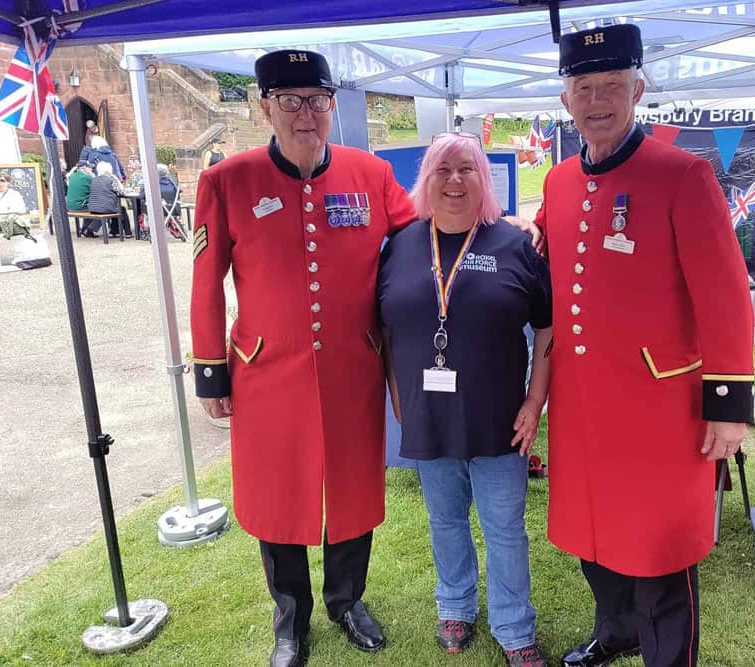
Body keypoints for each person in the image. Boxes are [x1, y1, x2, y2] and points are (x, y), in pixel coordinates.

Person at [534, 24, 754, 667]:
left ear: (638, 90)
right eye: (584, 88)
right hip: (582, 406)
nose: (597, 100)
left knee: (660, 550)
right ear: (566, 100)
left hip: (661, 409)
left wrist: (728, 406)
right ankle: (617, 632)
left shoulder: (682, 174)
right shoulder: (558, 181)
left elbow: (725, 296)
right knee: (593, 537)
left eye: (612, 85)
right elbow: (551, 252)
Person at [190, 49, 417, 667]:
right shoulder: (227, 181)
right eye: (289, 101)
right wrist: (210, 370)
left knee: (353, 490)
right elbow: (206, 283)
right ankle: (290, 619)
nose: (305, 114)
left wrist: (498, 229)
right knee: (276, 496)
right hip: (267, 371)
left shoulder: (370, 174)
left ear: (332, 106)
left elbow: (421, 238)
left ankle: (348, 601)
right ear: (265, 107)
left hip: (352, 368)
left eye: (316, 100)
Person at [377, 133, 553, 667]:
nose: (455, 180)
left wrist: (535, 402)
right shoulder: (400, 246)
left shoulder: (515, 244)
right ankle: (454, 604)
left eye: (467, 169)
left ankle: (513, 626)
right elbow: (387, 331)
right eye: (443, 169)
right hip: (429, 417)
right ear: (425, 179)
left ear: (484, 179)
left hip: (500, 420)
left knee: (505, 529)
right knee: (445, 520)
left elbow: (547, 329)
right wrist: (398, 398)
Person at [138, 163, 185, 241]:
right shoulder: (172, 183)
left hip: (157, 210)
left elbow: (141, 196)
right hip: (173, 209)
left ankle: (146, 230)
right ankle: (173, 225)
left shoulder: (152, 184)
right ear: (167, 173)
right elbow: (179, 192)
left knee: (143, 205)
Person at [86, 161, 129, 237]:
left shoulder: (94, 179)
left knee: (111, 207)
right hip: (106, 208)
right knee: (121, 209)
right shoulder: (111, 179)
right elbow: (120, 193)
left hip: (93, 207)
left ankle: (114, 231)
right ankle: (127, 233)